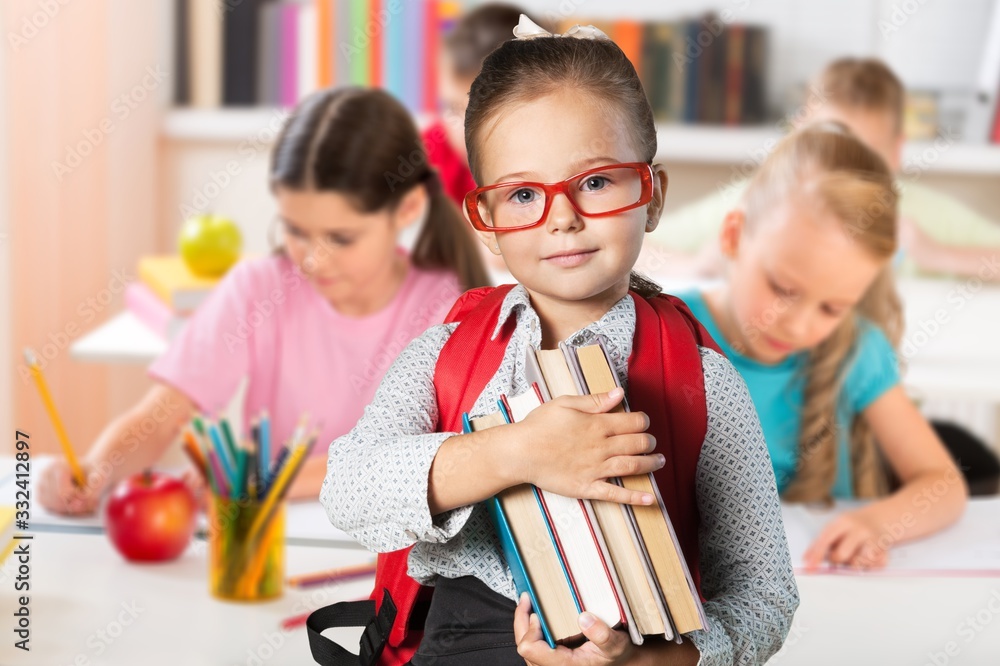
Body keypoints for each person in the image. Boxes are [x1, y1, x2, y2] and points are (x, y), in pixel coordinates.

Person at [322, 17, 797, 665]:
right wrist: (518, 451)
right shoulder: (444, 356)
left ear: (651, 195)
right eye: (522, 194)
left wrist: (660, 662)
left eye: (596, 182)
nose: (563, 218)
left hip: (636, 645)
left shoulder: (704, 381)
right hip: (462, 641)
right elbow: (348, 491)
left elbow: (763, 590)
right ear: (485, 222)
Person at [38, 88, 489, 515]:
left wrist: (264, 481)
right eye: (295, 230)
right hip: (265, 547)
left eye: (341, 237)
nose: (314, 260)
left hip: (385, 559)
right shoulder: (259, 288)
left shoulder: (444, 309)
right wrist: (96, 470)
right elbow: (158, 418)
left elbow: (421, 459)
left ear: (408, 208)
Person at [675, 121, 967, 571]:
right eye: (783, 289)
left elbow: (943, 484)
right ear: (734, 236)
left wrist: (877, 521)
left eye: (832, 308)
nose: (797, 324)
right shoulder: (668, 333)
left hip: (826, 591)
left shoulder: (858, 350)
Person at [640, 58, 1000, 280]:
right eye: (827, 149)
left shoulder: (921, 215)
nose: (842, 171)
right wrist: (697, 266)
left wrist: (937, 254)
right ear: (796, 136)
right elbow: (638, 248)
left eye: (864, 158)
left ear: (896, 152)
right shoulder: (756, 202)